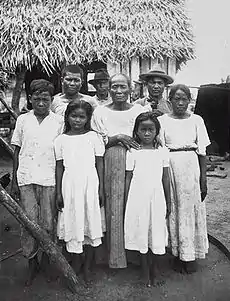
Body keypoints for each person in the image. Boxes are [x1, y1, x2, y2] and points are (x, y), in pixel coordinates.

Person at [91, 73, 147, 269]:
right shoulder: (100, 112)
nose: (118, 91)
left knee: (135, 206)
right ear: (109, 88)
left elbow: (147, 135)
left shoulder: (139, 110)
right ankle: (114, 256)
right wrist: (118, 137)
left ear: (130, 89)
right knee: (113, 207)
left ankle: (136, 254)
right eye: (114, 86)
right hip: (111, 162)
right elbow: (96, 141)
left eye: (123, 87)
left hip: (137, 161)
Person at [10, 79, 63, 285]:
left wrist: (60, 183)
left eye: (46, 99)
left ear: (51, 100)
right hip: (26, 177)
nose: (41, 103)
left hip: (49, 178)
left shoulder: (58, 121)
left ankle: (48, 260)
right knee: (29, 222)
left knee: (49, 222)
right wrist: (15, 179)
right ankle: (31, 263)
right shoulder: (23, 120)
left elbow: (60, 156)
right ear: (30, 99)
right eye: (37, 99)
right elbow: (16, 149)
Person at [158, 84, 210, 273]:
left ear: (189, 101)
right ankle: (178, 253)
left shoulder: (197, 120)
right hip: (170, 166)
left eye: (184, 99)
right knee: (174, 208)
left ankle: (191, 255)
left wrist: (203, 178)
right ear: (169, 100)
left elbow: (202, 152)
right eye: (176, 99)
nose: (180, 103)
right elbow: (160, 149)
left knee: (191, 209)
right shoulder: (162, 121)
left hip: (191, 166)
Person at [54, 100, 105, 283]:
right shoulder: (60, 140)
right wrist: (59, 192)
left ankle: (88, 266)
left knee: (90, 221)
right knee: (73, 221)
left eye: (82, 116)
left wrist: (101, 189)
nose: (77, 120)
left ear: (88, 118)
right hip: (69, 185)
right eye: (73, 116)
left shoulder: (93, 137)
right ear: (67, 117)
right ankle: (76, 262)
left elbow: (99, 163)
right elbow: (59, 167)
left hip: (90, 183)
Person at [124, 112, 171, 286]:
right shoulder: (133, 152)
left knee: (157, 232)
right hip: (138, 198)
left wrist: (169, 200)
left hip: (157, 197)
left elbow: (166, 178)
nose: (146, 133)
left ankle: (155, 270)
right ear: (136, 131)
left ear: (157, 131)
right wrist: (127, 200)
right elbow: (128, 178)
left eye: (151, 129)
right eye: (142, 130)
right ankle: (144, 270)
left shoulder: (162, 151)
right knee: (142, 232)